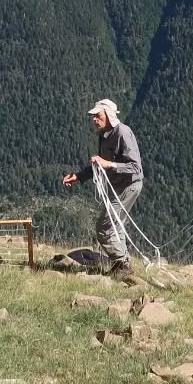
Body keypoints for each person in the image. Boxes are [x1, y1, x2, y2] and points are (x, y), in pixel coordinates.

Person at [62, 98, 143, 277]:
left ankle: (121, 263)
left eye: (97, 116)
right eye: (93, 116)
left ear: (109, 116)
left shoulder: (123, 133)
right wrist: (78, 176)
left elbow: (135, 167)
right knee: (116, 227)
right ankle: (124, 267)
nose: (94, 119)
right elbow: (100, 165)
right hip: (117, 186)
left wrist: (109, 164)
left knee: (104, 227)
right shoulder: (104, 135)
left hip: (129, 185)